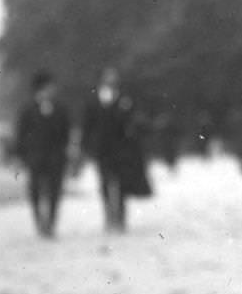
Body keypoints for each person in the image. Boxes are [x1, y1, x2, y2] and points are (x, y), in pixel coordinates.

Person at [81, 67, 151, 231]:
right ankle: (109, 215)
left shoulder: (125, 99)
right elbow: (88, 125)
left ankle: (120, 216)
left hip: (122, 149)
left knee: (121, 184)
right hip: (102, 149)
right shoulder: (94, 101)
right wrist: (87, 146)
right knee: (105, 182)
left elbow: (133, 121)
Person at [14, 70, 71, 236]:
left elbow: (66, 133)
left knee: (55, 190)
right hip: (35, 157)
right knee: (35, 191)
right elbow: (21, 134)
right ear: (41, 88)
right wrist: (20, 156)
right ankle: (39, 221)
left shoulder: (60, 108)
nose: (52, 90)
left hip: (56, 157)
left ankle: (51, 223)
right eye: (49, 87)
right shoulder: (27, 110)